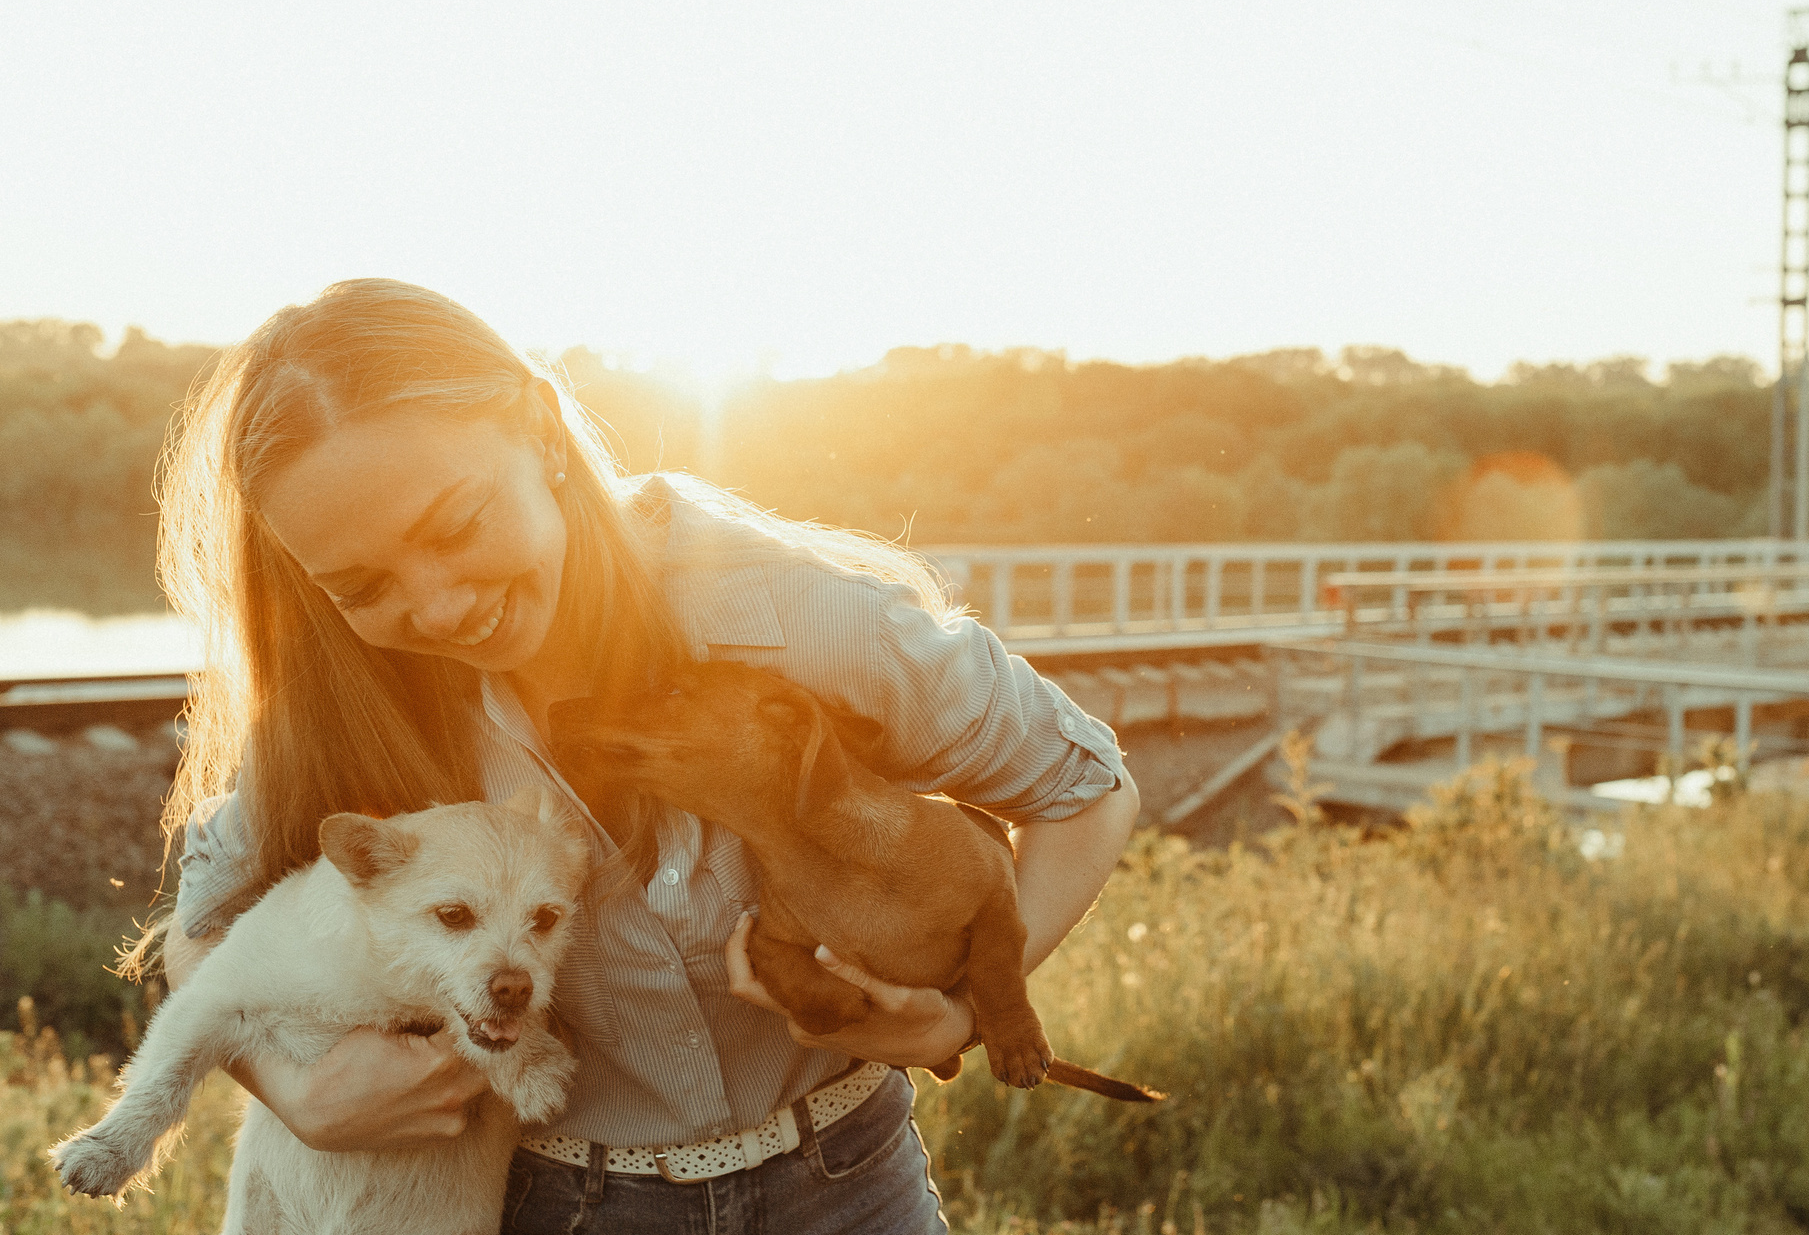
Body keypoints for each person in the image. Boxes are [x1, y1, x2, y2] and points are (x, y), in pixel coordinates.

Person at [144, 280, 1139, 1234]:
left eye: (457, 526)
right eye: (361, 585)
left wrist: (965, 1015)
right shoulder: (353, 705)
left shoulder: (800, 619)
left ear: (540, 428)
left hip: (849, 1191)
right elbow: (202, 928)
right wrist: (299, 1091)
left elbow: (1083, 790)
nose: (439, 606)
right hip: (553, 1204)